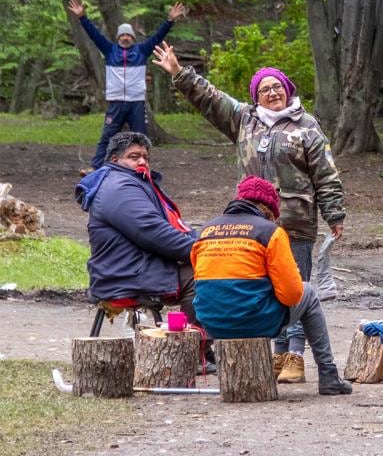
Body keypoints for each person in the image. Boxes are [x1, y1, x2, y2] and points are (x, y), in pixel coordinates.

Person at [152, 43, 345, 383]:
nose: (273, 93)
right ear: (256, 96)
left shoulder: (307, 127)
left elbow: (326, 174)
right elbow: (210, 98)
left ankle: (295, 357)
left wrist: (334, 213)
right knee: (263, 287)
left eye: (278, 87)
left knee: (295, 287)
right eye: (265, 89)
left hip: (295, 221)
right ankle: (276, 354)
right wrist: (179, 72)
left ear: (288, 92)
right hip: (251, 225)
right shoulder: (244, 120)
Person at [191, 176, 352, 395]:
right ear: (268, 209)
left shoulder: (205, 231)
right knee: (309, 293)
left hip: (211, 323)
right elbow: (291, 295)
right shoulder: (269, 232)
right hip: (254, 322)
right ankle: (328, 374)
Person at [75, 131, 199, 329]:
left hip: (139, 266)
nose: (142, 161)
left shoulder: (135, 182)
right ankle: (196, 350)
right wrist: (204, 252)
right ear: (115, 159)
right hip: (124, 274)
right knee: (205, 276)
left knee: (212, 266)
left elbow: (175, 226)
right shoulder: (119, 187)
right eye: (134, 157)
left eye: (145, 157)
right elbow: (153, 232)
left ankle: (197, 346)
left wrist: (209, 241)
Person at [68, 0, 186, 171]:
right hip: (116, 102)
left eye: (128, 35)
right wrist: (82, 17)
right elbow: (94, 35)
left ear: (132, 37)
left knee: (140, 137)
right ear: (118, 38)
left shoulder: (142, 50)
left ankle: (143, 167)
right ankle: (96, 168)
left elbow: (158, 37)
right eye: (122, 35)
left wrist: (170, 20)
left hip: (136, 102)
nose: (125, 37)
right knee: (107, 136)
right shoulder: (109, 50)